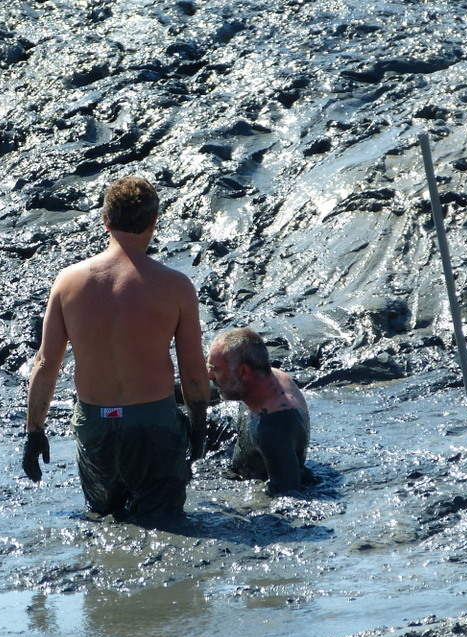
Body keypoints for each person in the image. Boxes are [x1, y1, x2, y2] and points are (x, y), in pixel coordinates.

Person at [22, 175, 209, 520]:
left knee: (104, 519)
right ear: (153, 223)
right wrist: (198, 429)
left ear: (105, 221)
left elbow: (46, 364)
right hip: (154, 423)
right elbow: (194, 375)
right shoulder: (176, 286)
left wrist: (34, 432)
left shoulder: (68, 281)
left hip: (96, 424)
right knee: (163, 523)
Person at [207, 327, 311, 494]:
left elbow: (289, 496)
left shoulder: (273, 430)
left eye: (215, 369)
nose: (209, 375)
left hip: (250, 479)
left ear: (243, 371)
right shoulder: (270, 378)